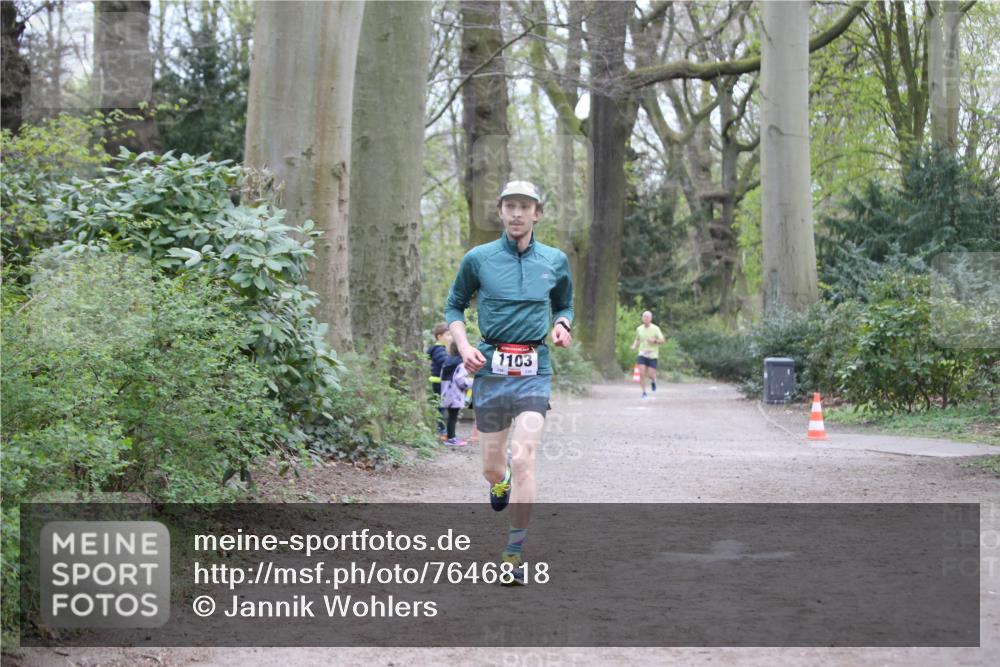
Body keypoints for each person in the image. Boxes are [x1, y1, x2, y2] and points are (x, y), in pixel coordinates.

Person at [445, 180, 573, 585]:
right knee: (494, 467)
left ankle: (513, 552)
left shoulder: (554, 259)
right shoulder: (478, 259)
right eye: (510, 206)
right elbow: (454, 304)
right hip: (491, 370)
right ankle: (498, 484)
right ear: (499, 211)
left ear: (538, 213)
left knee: (524, 459)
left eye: (526, 206)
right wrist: (463, 343)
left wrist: (562, 324)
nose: (517, 213)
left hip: (535, 368)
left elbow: (564, 302)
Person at [439, 341, 472, 446]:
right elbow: (460, 380)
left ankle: (449, 436)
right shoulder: (461, 363)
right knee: (453, 417)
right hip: (455, 394)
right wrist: (471, 383)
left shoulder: (447, 362)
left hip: (446, 393)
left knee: (449, 416)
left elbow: (441, 377)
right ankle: (451, 438)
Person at [630, 310, 666, 399]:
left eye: (647, 317)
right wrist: (634, 346)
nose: (645, 319)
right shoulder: (639, 328)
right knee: (641, 373)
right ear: (642, 318)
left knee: (650, 374)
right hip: (642, 353)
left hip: (652, 354)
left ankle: (653, 380)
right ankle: (644, 393)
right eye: (644, 317)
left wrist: (654, 341)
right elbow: (638, 339)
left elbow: (663, 340)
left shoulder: (655, 328)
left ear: (651, 318)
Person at [427, 323, 452, 439]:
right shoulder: (439, 350)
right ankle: (442, 431)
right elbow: (446, 364)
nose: (450, 337)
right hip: (440, 382)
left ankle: (442, 429)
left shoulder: (441, 349)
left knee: (442, 406)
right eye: (448, 334)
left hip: (441, 382)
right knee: (441, 406)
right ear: (439, 336)